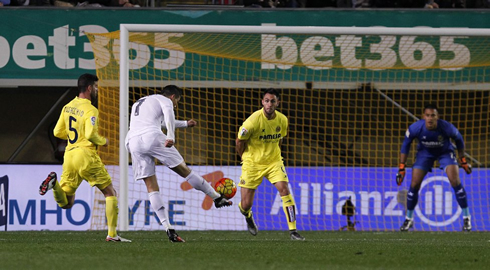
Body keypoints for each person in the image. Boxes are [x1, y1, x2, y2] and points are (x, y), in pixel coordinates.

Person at [125, 85, 232, 243]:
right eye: (177, 102)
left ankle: (168, 228)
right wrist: (171, 136)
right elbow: (168, 114)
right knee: (185, 171)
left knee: (151, 186)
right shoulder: (165, 100)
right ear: (173, 97)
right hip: (151, 137)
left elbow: (161, 122)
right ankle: (216, 197)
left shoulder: (141, 102)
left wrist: (185, 124)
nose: (176, 105)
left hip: (132, 142)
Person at [39, 73, 130, 242]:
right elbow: (89, 134)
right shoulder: (90, 109)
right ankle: (112, 234)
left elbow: (57, 132)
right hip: (85, 155)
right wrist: (103, 141)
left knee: (67, 202)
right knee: (110, 192)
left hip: (70, 155)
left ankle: (54, 184)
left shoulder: (67, 106)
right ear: (89, 88)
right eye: (95, 87)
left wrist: (75, 136)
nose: (97, 90)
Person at [236, 88, 305, 241]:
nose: (269, 104)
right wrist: (245, 158)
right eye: (266, 101)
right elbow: (239, 141)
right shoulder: (252, 121)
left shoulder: (282, 120)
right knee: (246, 204)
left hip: (274, 162)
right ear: (262, 102)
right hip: (252, 164)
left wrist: (276, 155)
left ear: (277, 103)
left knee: (285, 190)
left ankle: (293, 231)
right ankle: (248, 216)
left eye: (272, 101)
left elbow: (280, 139)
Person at [396, 104, 473, 232]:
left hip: (445, 153)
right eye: (427, 115)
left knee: (455, 181)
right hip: (424, 154)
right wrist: (402, 167)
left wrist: (462, 160)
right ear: (423, 117)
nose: (430, 118)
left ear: (437, 117)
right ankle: (408, 219)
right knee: (414, 184)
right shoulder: (416, 127)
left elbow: (459, 139)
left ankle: (467, 218)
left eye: (433, 115)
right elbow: (406, 144)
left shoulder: (446, 127)